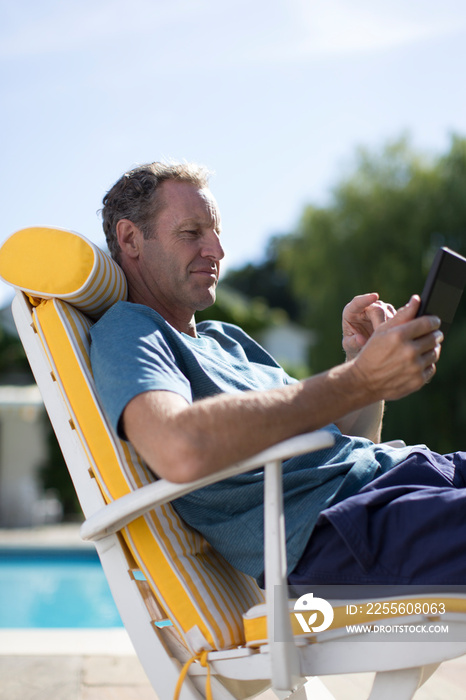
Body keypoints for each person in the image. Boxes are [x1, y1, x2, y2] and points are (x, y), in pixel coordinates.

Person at [90, 161, 466, 589]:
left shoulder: (225, 339)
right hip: (340, 528)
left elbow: (345, 440)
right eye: (192, 233)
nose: (216, 250)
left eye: (216, 232)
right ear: (130, 239)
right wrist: (360, 379)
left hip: (404, 478)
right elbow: (177, 446)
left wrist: (357, 362)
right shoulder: (129, 330)